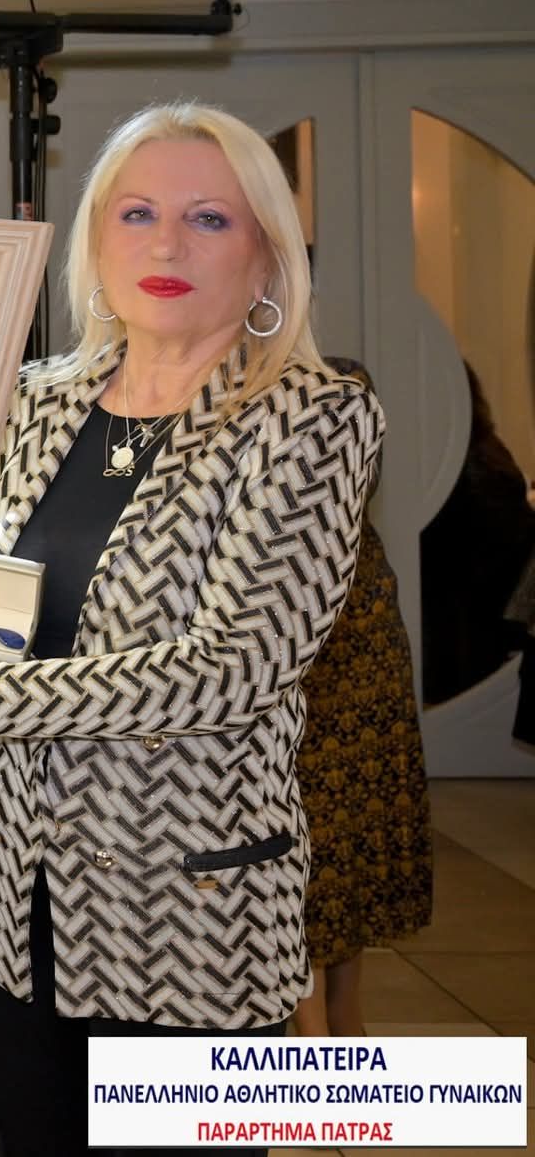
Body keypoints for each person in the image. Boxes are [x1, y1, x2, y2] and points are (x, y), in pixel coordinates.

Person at [0, 101, 385, 1157]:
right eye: (137, 213)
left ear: (266, 254)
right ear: (96, 240)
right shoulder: (26, 405)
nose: (165, 245)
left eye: (209, 219)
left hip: (188, 918)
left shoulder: (312, 419)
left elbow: (230, 670)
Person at [292, 361, 432, 1036]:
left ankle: (327, 1030)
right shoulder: (341, 385)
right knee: (325, 848)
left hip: (344, 657)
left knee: (333, 849)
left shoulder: (333, 387)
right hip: (339, 649)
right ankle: (325, 1028)